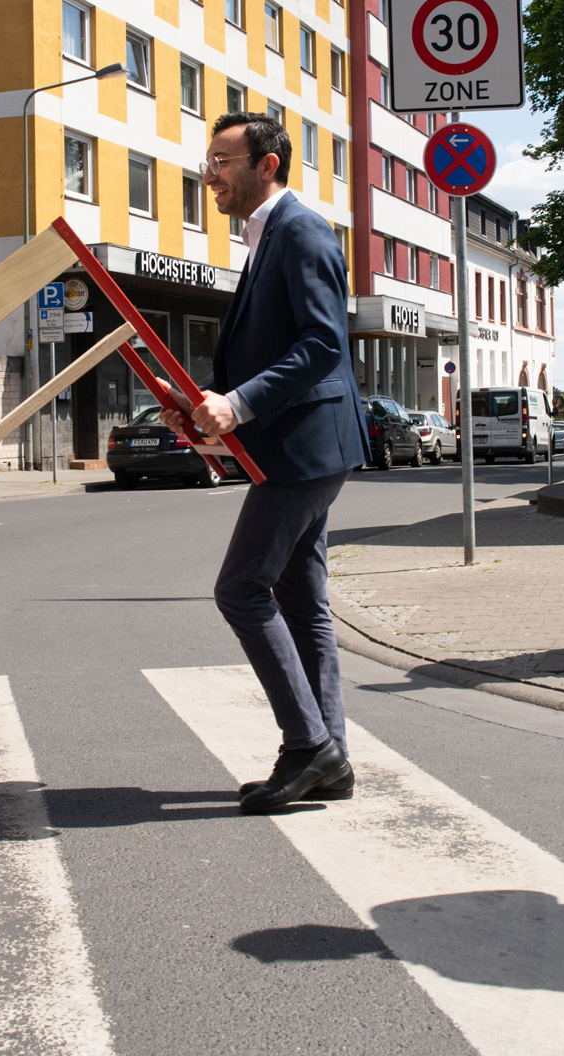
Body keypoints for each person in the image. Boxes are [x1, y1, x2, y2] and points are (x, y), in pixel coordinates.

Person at [164, 111, 370, 814]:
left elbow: (320, 346)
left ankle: (309, 749)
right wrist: (208, 411)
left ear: (267, 165)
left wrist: (241, 404)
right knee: (300, 601)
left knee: (241, 589)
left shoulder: (301, 231)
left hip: (308, 447)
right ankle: (327, 756)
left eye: (222, 160)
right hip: (296, 443)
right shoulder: (263, 238)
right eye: (210, 160)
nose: (209, 173)